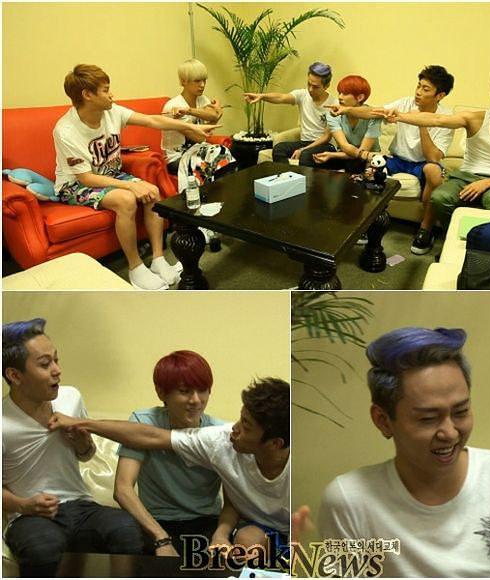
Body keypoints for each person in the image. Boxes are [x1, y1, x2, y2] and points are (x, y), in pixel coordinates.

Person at [318, 327, 490, 577]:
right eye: (428, 418)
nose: (450, 433)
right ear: (383, 420)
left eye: (461, 412)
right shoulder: (350, 499)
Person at [49, 377, 290, 555]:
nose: (235, 428)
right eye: (240, 418)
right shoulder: (222, 440)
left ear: (275, 444)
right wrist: (82, 423)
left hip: (296, 532)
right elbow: (152, 436)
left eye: (246, 426)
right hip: (256, 532)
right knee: (247, 541)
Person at [53, 64, 219, 290]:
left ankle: (158, 260)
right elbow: (86, 178)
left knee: (153, 192)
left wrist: (190, 128)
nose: (112, 95)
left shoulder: (111, 111)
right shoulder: (66, 130)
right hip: (75, 185)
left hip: (109, 174)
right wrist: (130, 187)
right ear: (88, 95)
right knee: (126, 200)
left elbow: (152, 121)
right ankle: (135, 267)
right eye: (105, 90)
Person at [2, 319, 144, 578]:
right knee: (43, 547)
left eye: (56, 360)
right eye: (45, 364)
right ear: (15, 375)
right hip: (29, 518)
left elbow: (87, 454)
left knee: (126, 530)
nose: (57, 370)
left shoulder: (70, 398)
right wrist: (24, 505)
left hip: (80, 506)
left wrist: (82, 442)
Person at [378, 63, 490, 230]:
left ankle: (484, 241)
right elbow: (437, 120)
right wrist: (399, 116)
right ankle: (456, 235)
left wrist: (486, 183)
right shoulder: (475, 119)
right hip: (465, 176)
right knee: (440, 197)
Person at [328, 66, 455, 254]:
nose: (418, 92)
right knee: (372, 164)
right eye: (418, 86)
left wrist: (421, 123)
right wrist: (346, 109)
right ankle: (368, 223)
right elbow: (373, 112)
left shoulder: (446, 119)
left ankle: (425, 230)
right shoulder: (405, 103)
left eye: (425, 89)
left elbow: (433, 157)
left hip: (423, 163)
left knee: (434, 171)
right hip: (397, 159)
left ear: (440, 95)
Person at [114, 350, 226, 557]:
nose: (196, 400)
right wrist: (161, 538)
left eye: (203, 390)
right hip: (154, 522)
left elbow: (234, 497)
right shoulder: (143, 422)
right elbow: (122, 489)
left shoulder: (220, 431)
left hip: (206, 522)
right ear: (161, 393)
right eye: (184, 391)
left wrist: (222, 535)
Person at [244, 62, 337, 166]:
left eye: (315, 87)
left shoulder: (333, 104)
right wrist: (262, 96)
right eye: (309, 84)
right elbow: (281, 97)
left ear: (326, 86)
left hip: (324, 145)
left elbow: (326, 137)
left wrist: (303, 150)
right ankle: (287, 174)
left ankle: (301, 176)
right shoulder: (303, 95)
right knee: (279, 149)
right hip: (304, 142)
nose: (310, 89)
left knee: (305, 155)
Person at [312, 75, 381, 173]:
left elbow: (363, 152)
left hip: (367, 158)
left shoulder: (374, 115)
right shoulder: (333, 114)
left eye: (345, 94)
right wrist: (331, 155)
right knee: (308, 157)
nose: (340, 97)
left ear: (360, 97)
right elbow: (344, 146)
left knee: (354, 164)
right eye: (339, 93)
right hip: (345, 155)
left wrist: (332, 155)